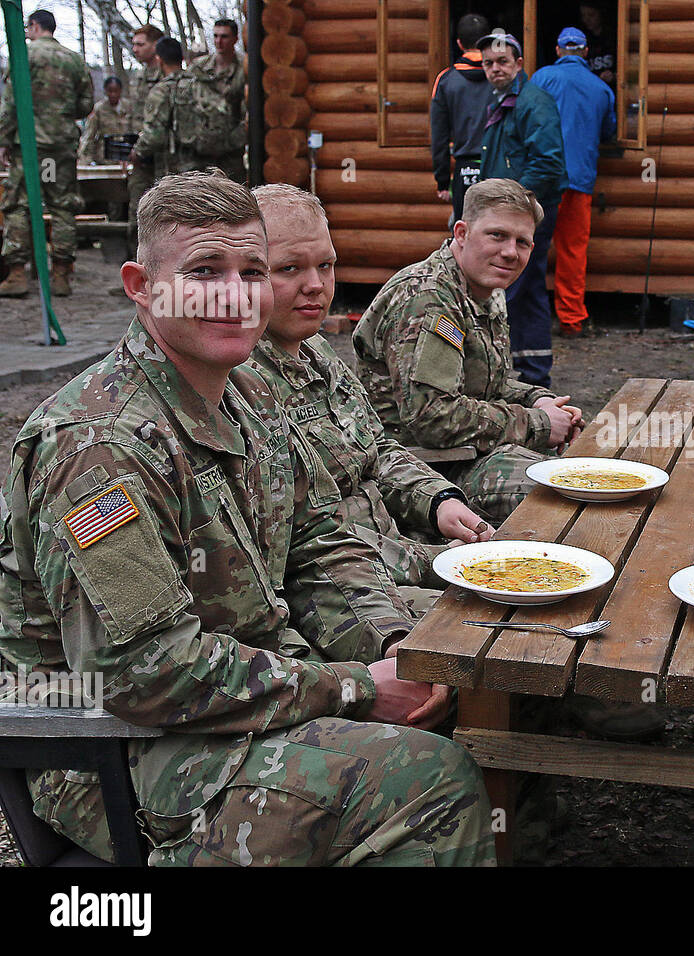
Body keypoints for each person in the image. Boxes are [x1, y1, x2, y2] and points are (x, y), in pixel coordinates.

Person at [0, 170, 495, 866]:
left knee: (465, 685)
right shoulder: (97, 446)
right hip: (112, 749)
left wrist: (392, 648)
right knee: (426, 780)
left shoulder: (250, 393)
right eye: (205, 271)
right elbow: (144, 673)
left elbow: (319, 545)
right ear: (142, 286)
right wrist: (352, 689)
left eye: (253, 271)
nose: (237, 295)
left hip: (237, 686)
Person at [246, 182, 494, 613]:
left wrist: (437, 500)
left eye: (326, 265)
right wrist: (435, 561)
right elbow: (309, 540)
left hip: (396, 549)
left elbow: (375, 450)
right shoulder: (239, 383)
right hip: (340, 591)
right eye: (288, 269)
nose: (316, 285)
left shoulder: (316, 351)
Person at [353, 177, 582, 526]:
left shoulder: (487, 289)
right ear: (461, 233)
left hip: (467, 451)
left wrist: (541, 401)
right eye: (497, 235)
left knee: (587, 475)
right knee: (565, 495)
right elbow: (432, 417)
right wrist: (537, 424)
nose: (510, 252)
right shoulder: (429, 300)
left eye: (523, 242)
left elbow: (487, 384)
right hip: (418, 470)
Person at [476, 31, 568, 388]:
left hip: (525, 217)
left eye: (502, 62)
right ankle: (533, 374)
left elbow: (548, 164)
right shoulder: (503, 100)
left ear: (518, 63)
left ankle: (498, 378)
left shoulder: (533, 101)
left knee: (504, 295)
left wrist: (509, 205)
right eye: (488, 64)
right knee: (528, 294)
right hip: (511, 214)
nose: (495, 69)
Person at [0, 9, 93, 298]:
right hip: (57, 150)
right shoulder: (74, 60)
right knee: (61, 204)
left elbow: (11, 102)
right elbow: (86, 103)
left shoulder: (23, 56)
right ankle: (61, 276)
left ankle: (17, 274)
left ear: (35, 26)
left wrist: (3, 139)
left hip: (29, 147)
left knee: (20, 204)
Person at [531, 27, 617, 337]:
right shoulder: (601, 89)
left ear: (557, 51)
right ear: (584, 52)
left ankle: (525, 314)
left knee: (527, 246)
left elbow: (523, 119)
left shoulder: (540, 79)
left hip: (541, 179)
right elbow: (608, 131)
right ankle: (571, 319)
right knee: (573, 250)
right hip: (579, 180)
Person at [431, 12, 495, 224]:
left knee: (465, 233)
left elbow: (439, 136)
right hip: (497, 166)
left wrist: (442, 181)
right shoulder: (501, 77)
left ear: (459, 43)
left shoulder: (446, 80)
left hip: (464, 168)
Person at [191, 18, 247, 183]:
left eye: (224, 36)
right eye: (215, 36)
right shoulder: (199, 67)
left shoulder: (243, 69)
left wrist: (230, 142)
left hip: (230, 152)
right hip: (199, 150)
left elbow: (248, 114)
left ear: (235, 39)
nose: (218, 42)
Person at [124, 24, 164, 253]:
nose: (135, 49)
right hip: (139, 157)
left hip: (162, 157)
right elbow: (133, 116)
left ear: (155, 45)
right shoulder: (138, 77)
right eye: (134, 44)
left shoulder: (167, 75)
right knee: (137, 210)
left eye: (140, 44)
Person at [127, 37, 186, 180]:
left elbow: (154, 135)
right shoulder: (199, 84)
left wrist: (136, 153)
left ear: (159, 59)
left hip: (171, 168)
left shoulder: (161, 90)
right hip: (203, 166)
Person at [77, 76, 132, 165]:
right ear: (105, 91)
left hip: (126, 155)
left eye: (116, 91)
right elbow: (89, 135)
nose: (113, 94)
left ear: (120, 91)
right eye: (110, 91)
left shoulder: (128, 107)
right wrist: (85, 160)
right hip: (105, 157)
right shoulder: (99, 109)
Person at [578, 2, 616, 86]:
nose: (586, 20)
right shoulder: (581, 39)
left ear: (600, 14)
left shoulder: (614, 37)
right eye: (583, 16)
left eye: (591, 15)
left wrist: (614, 76)